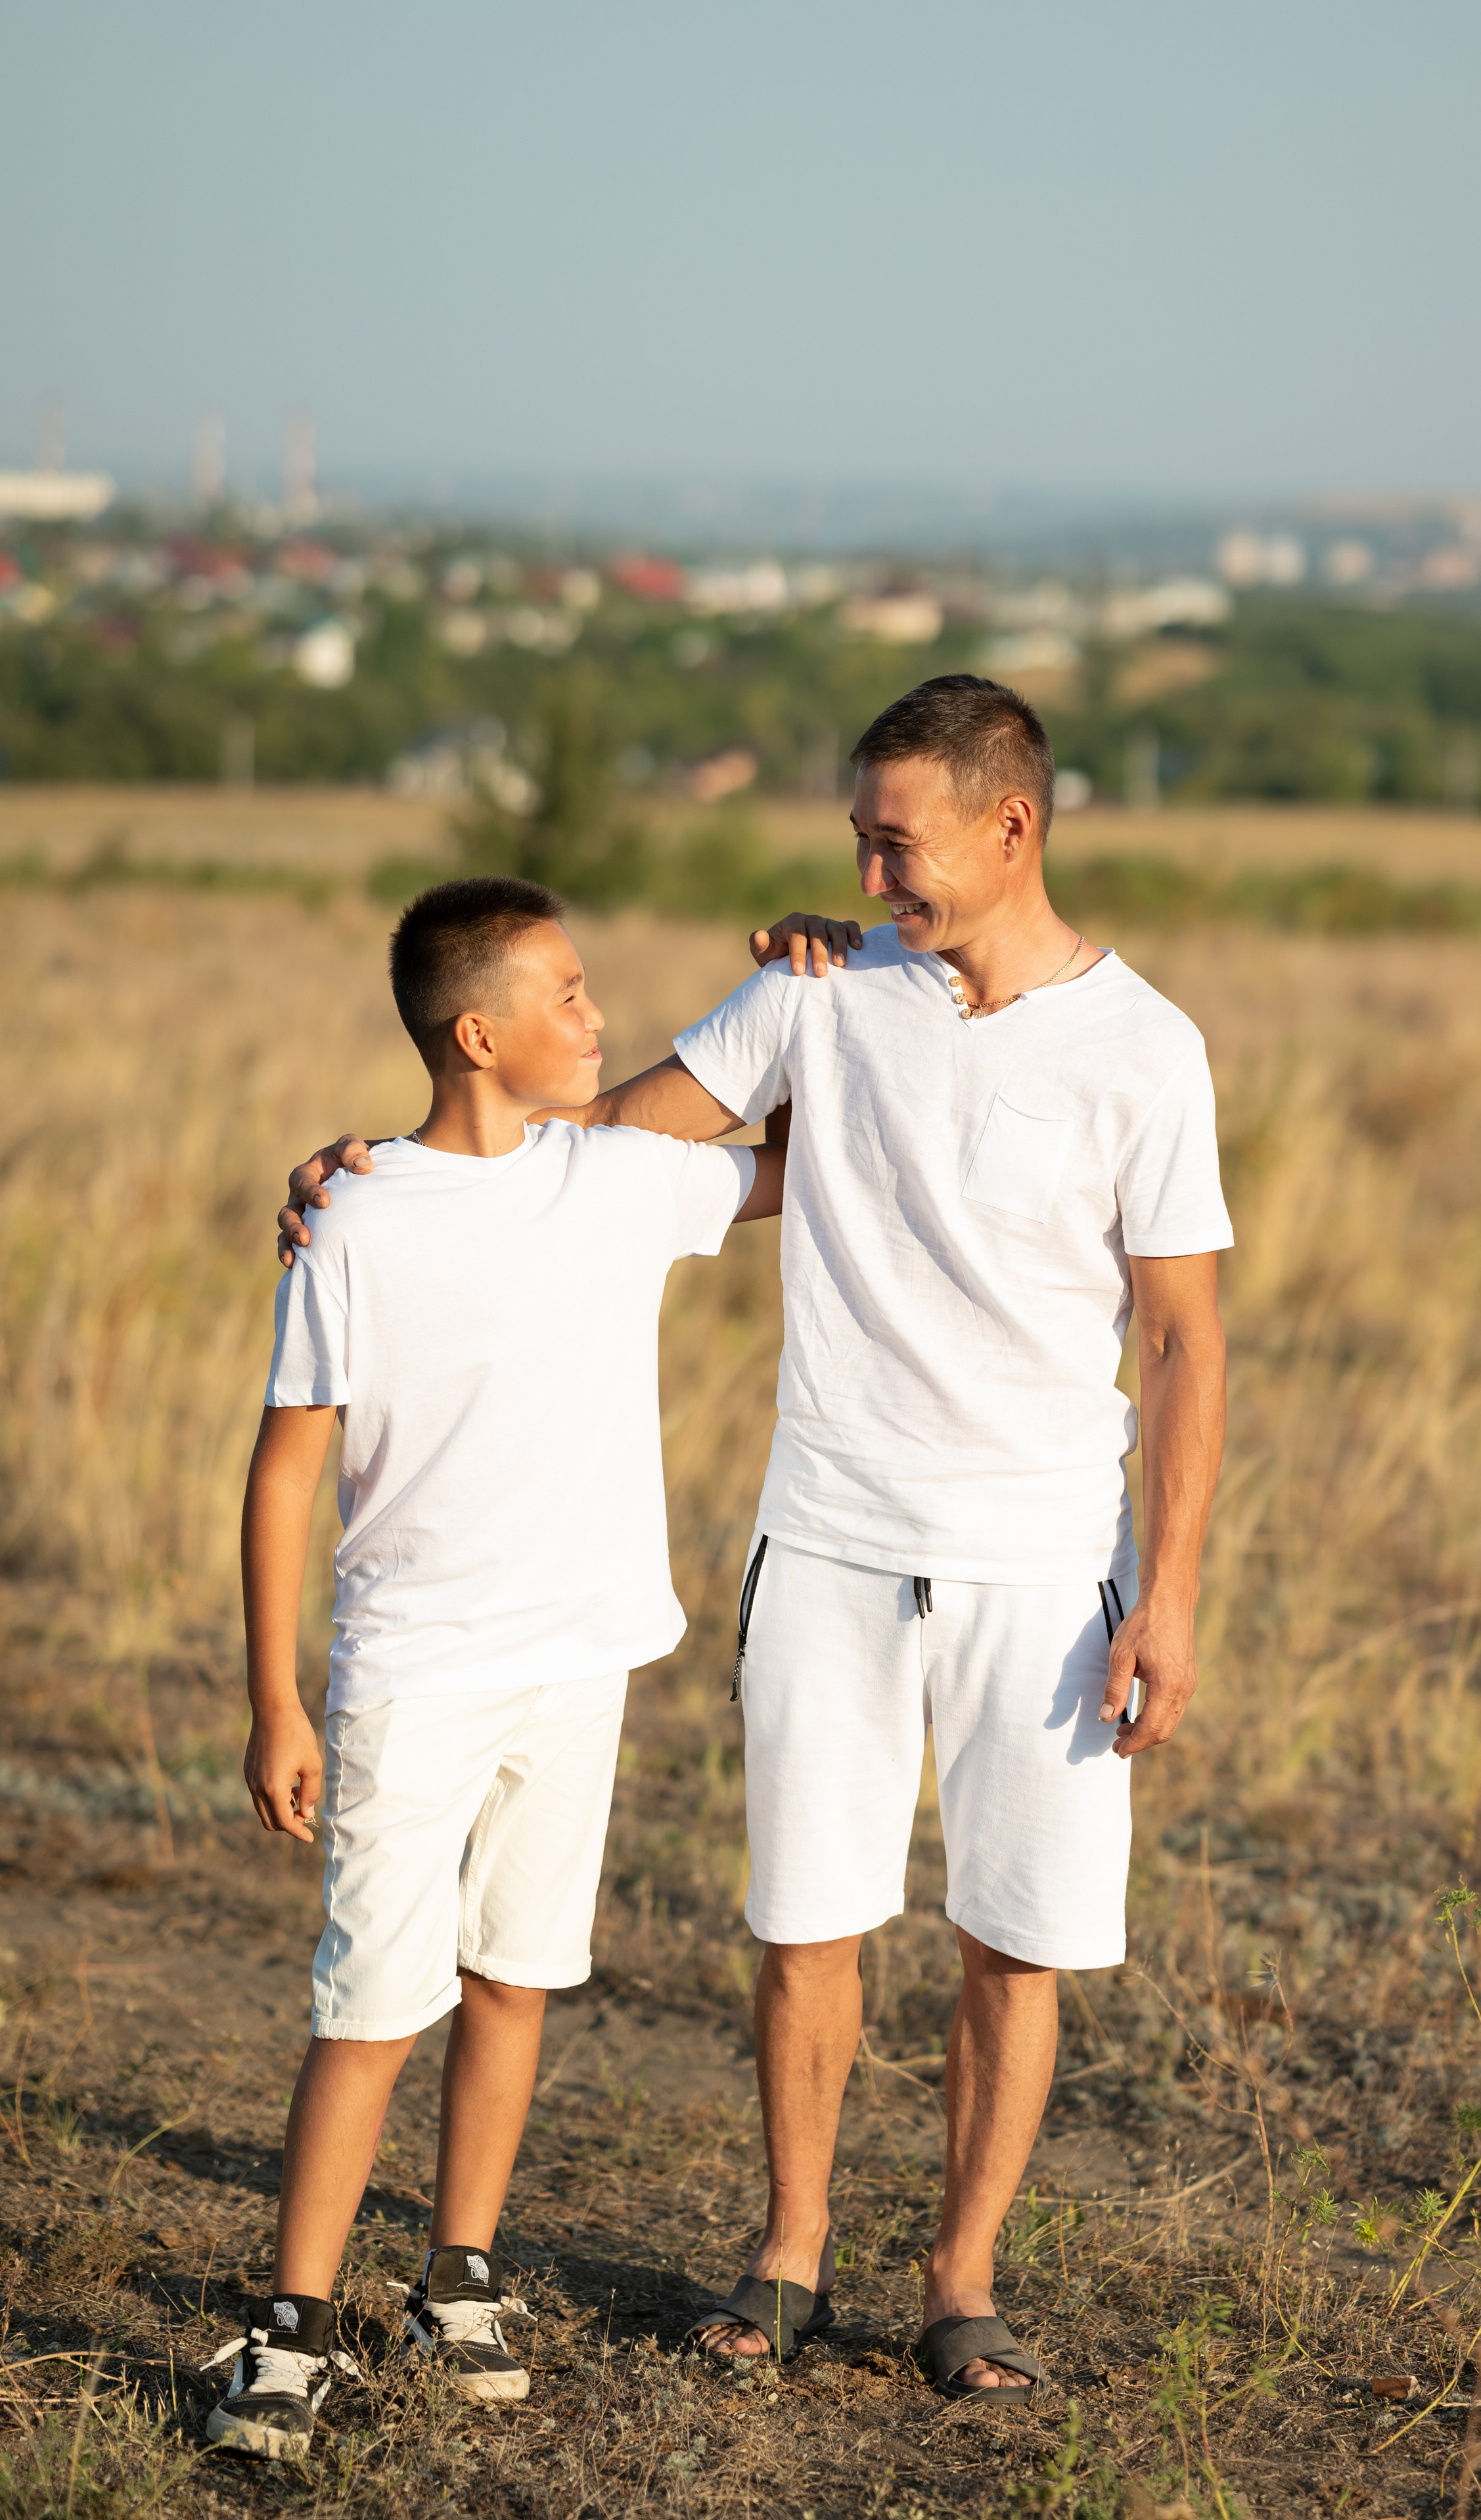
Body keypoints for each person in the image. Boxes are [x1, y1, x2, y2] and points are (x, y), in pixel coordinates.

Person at [282, 674, 1230, 2400]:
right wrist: (391, 1169)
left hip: (1048, 1558)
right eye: (859, 837)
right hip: (832, 1532)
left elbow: (1183, 1340)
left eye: (898, 839)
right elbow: (584, 1139)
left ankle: (960, 2284)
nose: (868, 872)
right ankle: (788, 2256)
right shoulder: (818, 994)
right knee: (808, 1915)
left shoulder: (1147, 1049)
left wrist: (1168, 1592)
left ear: (1011, 826)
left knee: (1016, 1935)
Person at [206, 876, 783, 2461]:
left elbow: (810, 1157)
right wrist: (278, 1697)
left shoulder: (615, 1178)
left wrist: (833, 980)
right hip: (412, 1672)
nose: (600, 1017)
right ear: (478, 1032)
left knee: (514, 1975)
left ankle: (456, 2278)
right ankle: (291, 2323)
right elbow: (281, 1473)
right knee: (371, 2001)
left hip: (577, 1659)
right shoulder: (356, 1215)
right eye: (570, 993)